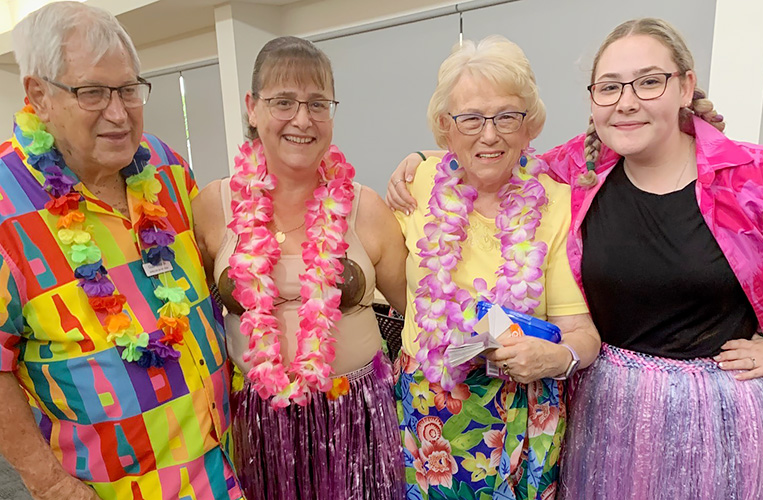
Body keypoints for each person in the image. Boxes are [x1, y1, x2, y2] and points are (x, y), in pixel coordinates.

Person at [387, 18, 763, 499]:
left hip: (723, 415)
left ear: (685, 86)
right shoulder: (580, 173)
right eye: (609, 87)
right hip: (610, 416)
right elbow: (496, 154)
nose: (627, 101)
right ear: (593, 99)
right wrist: (421, 155)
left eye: (649, 81)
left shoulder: (755, 174)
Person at [0, 3, 244, 499]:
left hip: (226, 473)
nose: (118, 113)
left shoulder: (164, 165)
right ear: (38, 96)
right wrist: (48, 484)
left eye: (129, 89)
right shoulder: (6, 207)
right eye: (91, 92)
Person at [192, 36, 407, 500]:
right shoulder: (212, 206)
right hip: (256, 422)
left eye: (317, 103)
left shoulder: (365, 208)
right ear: (252, 107)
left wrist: (423, 161)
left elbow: (418, 314)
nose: (303, 120)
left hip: (357, 420)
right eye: (283, 102)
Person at [391, 36, 600, 499]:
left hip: (519, 411)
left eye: (507, 116)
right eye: (470, 119)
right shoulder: (417, 181)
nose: (490, 135)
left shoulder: (556, 203)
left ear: (530, 127)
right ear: (445, 127)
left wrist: (554, 357)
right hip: (427, 411)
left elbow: (583, 335)